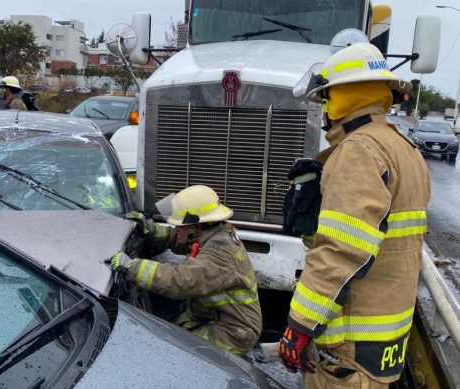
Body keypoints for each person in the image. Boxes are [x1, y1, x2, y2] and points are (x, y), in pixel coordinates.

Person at [278, 42, 430, 388]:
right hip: (385, 341)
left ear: (347, 96)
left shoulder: (358, 151)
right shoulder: (404, 148)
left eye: (327, 98)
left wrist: (300, 326)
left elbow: (342, 250)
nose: (326, 109)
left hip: (348, 356)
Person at [109, 184, 262, 356]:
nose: (175, 229)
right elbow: (176, 239)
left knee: (172, 351)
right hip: (209, 316)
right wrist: (149, 229)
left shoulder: (220, 252)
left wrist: (132, 267)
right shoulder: (210, 234)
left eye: (178, 225)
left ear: (194, 227)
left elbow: (180, 281)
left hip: (232, 333)